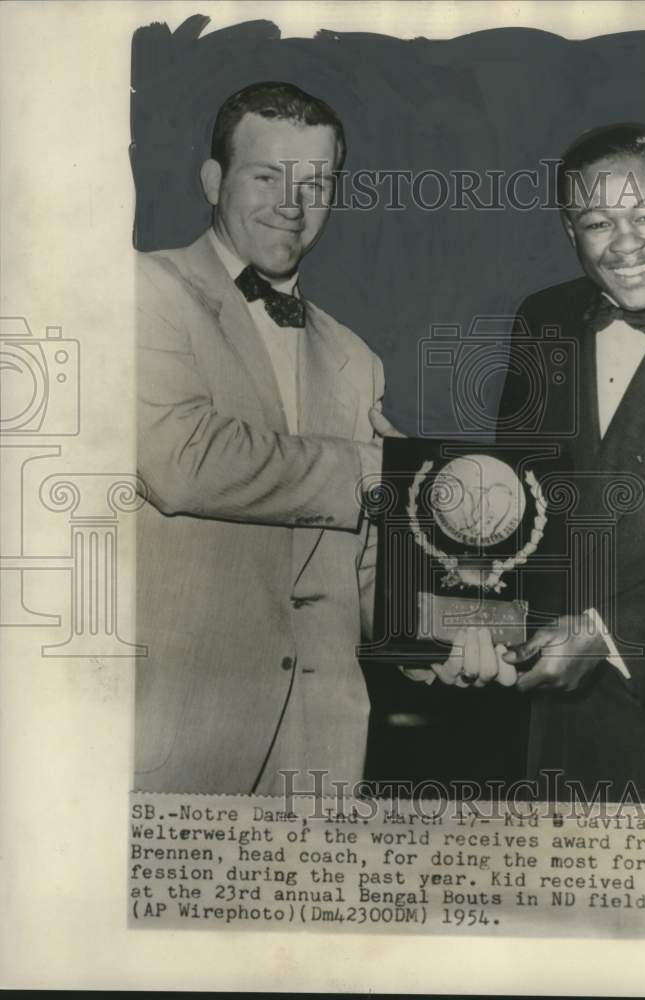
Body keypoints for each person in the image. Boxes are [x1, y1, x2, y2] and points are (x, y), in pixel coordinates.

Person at [134, 81, 390, 796]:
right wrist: (372, 471)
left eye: (316, 182)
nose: (292, 203)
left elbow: (360, 566)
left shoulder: (357, 358)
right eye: (267, 175)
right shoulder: (141, 289)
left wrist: (444, 632)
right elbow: (182, 459)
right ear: (214, 180)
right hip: (177, 733)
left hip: (321, 749)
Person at [497, 123, 645, 801]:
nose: (625, 244)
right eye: (597, 222)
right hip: (556, 725)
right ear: (568, 228)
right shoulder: (544, 319)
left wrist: (610, 634)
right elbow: (516, 506)